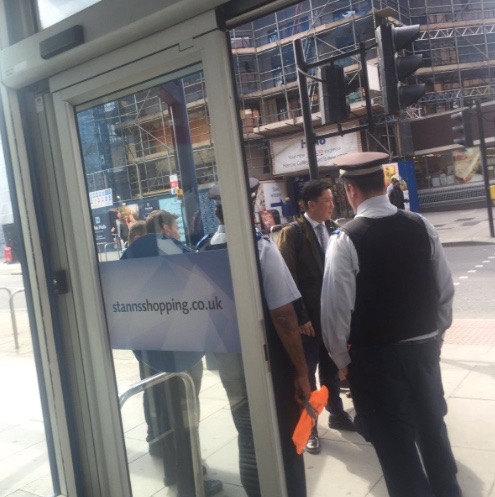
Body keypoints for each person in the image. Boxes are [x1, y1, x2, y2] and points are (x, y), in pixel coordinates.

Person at [320, 152, 462, 497]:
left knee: (395, 447)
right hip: (424, 351)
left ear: (350, 190)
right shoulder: (421, 225)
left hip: (376, 360)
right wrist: (435, 337)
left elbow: (335, 311)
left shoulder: (345, 240)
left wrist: (341, 362)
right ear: (384, 185)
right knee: (433, 431)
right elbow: (444, 290)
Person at [199, 180, 311, 497]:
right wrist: (302, 371)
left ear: (218, 212)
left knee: (247, 432)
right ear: (249, 208)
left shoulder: (205, 251)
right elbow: (284, 317)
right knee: (283, 434)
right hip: (269, 365)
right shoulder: (260, 249)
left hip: (229, 363)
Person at [126, 209, 222, 497]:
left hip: (154, 350)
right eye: (176, 227)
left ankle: (173, 469)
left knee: (166, 410)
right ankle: (192, 478)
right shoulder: (179, 258)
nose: (179, 232)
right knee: (186, 413)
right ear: (166, 230)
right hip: (182, 349)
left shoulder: (137, 257)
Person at [277, 180, 355, 455]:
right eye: (327, 200)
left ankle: (337, 413)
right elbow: (286, 279)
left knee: (332, 370)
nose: (332, 205)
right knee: (307, 376)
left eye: (332, 199)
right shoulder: (293, 234)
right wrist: (300, 316)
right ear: (310, 205)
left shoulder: (335, 230)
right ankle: (309, 428)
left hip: (330, 318)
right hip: (308, 321)